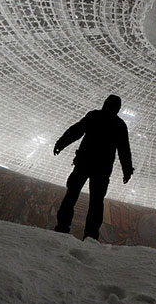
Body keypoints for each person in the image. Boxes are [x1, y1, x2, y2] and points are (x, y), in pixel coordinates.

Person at [53, 94, 134, 240]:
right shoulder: (119, 125)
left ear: (105, 103)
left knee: (71, 195)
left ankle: (62, 227)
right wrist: (127, 170)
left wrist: (61, 143)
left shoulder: (94, 116)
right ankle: (90, 235)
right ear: (118, 109)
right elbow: (124, 150)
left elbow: (76, 130)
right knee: (96, 202)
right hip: (102, 169)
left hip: (83, 162)